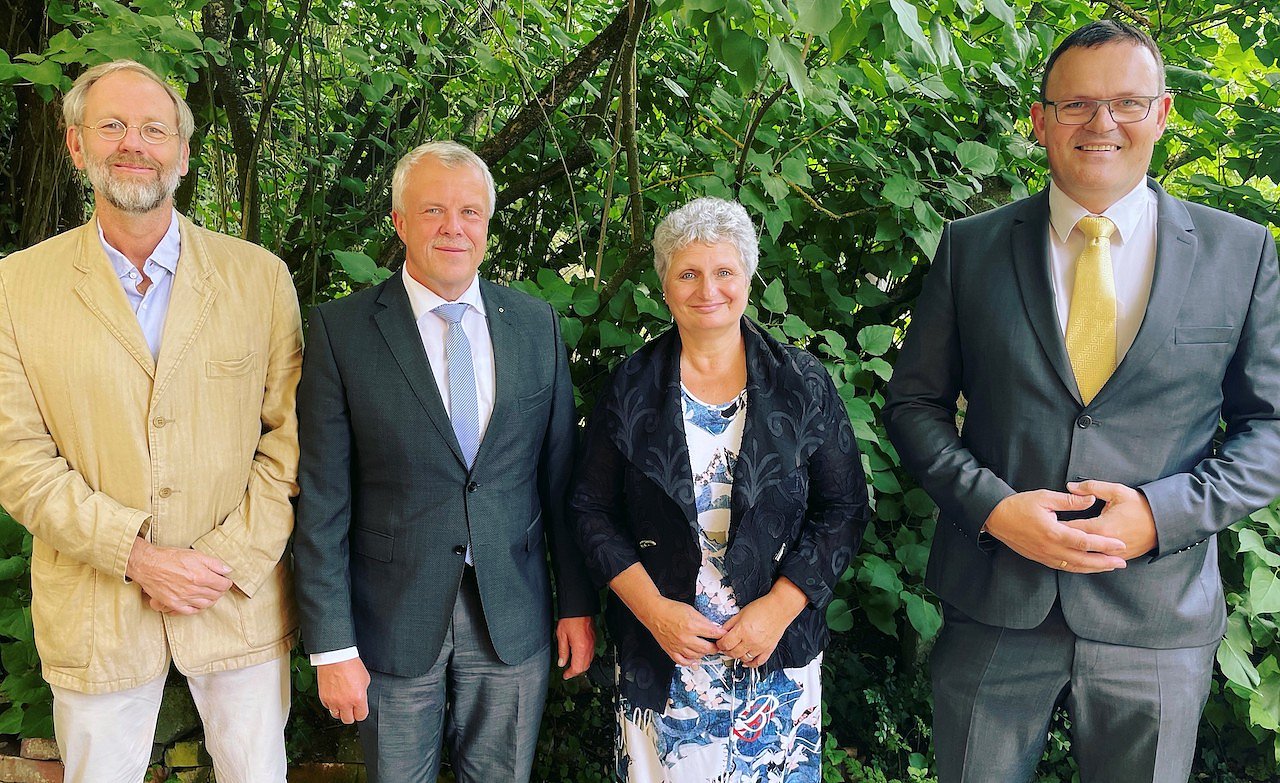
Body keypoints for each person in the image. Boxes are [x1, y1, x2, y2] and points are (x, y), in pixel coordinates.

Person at [884, 20, 1280, 783]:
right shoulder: (971, 247)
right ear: (1040, 121)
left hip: (1157, 617)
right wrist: (995, 509)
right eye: (1076, 105)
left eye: (1128, 102)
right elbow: (913, 406)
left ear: (1162, 114)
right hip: (996, 603)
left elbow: (1270, 429)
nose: (1102, 123)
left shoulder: (1240, 253)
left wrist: (1160, 515)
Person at [0, 60, 302, 783]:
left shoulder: (259, 278)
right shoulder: (16, 286)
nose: (133, 143)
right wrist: (137, 557)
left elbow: (291, 442)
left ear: (184, 152)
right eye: (111, 125)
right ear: (76, 145)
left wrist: (222, 561)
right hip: (97, 604)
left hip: (235, 596)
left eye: (153, 129)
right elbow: (17, 459)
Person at [293, 140, 598, 783]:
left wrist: (576, 603)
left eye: (469, 212)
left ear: (487, 224)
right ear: (400, 222)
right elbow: (322, 499)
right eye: (433, 210)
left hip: (512, 616)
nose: (453, 227)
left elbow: (560, 481)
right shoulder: (341, 332)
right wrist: (331, 645)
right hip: (390, 621)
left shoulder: (536, 325)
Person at [571, 197, 869, 782]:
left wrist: (780, 608)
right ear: (665, 287)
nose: (708, 289)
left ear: (748, 278)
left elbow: (844, 508)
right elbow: (590, 510)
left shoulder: (802, 382)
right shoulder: (630, 386)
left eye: (724, 271)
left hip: (774, 651)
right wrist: (654, 611)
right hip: (664, 651)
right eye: (688, 273)